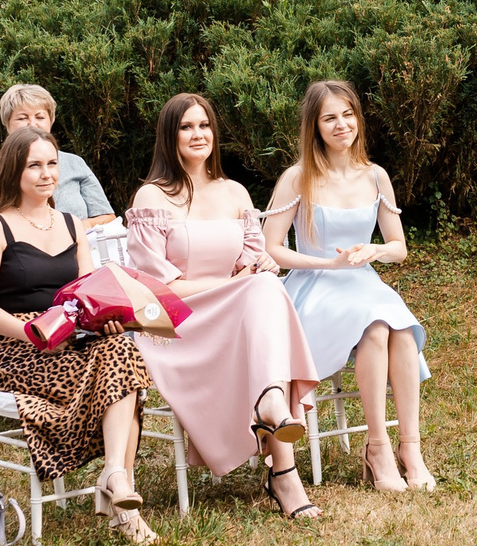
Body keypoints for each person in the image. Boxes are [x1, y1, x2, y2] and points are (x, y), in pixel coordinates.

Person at [127, 93, 321, 519]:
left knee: (265, 284)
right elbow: (157, 287)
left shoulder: (233, 191)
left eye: (205, 125)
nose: (198, 135)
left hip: (235, 314)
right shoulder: (151, 198)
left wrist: (261, 263)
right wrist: (236, 285)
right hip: (178, 324)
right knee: (262, 291)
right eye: (186, 127)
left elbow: (248, 261)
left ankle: (274, 420)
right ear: (169, 136)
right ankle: (282, 463)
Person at [0, 126, 157, 545]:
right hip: (17, 348)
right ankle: (120, 493)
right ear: (14, 170)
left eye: (51, 163)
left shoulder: (72, 224)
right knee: (125, 377)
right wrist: (29, 332)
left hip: (70, 339)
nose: (46, 173)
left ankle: (115, 476)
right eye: (34, 165)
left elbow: (87, 293)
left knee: (121, 346)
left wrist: (102, 319)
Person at [262, 80, 435, 493]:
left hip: (363, 282)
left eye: (347, 114)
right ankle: (377, 448)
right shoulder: (297, 177)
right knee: (375, 326)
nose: (341, 125)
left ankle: (410, 447)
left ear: (357, 118)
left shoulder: (375, 176)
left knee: (402, 329)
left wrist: (373, 252)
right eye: (329, 118)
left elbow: (399, 248)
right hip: (314, 285)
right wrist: (329, 262)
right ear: (314, 127)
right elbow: (271, 247)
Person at [0, 84, 115, 228]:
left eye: (40, 117)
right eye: (22, 118)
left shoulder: (74, 163)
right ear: (7, 124)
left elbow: (108, 217)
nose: (32, 124)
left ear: (51, 121)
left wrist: (80, 227)